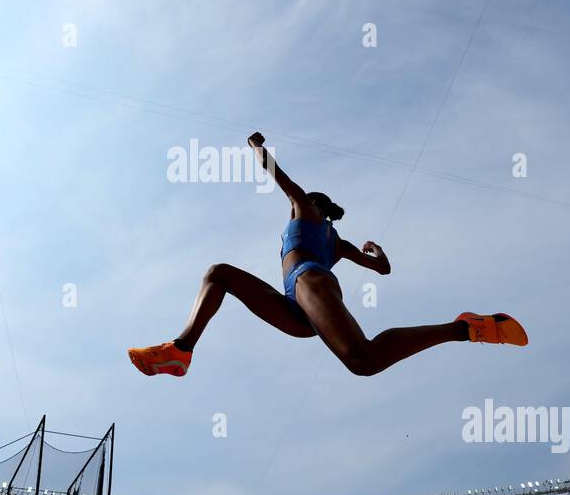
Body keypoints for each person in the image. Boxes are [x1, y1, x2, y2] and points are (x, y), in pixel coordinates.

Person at [127, 133, 527, 378]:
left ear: (313, 204)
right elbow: (382, 270)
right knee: (219, 274)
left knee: (364, 360)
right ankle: (181, 350)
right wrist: (378, 252)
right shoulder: (338, 243)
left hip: (309, 282)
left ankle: (464, 327)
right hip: (298, 308)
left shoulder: (307, 211)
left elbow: (278, 175)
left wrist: (256, 147)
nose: (293, 208)